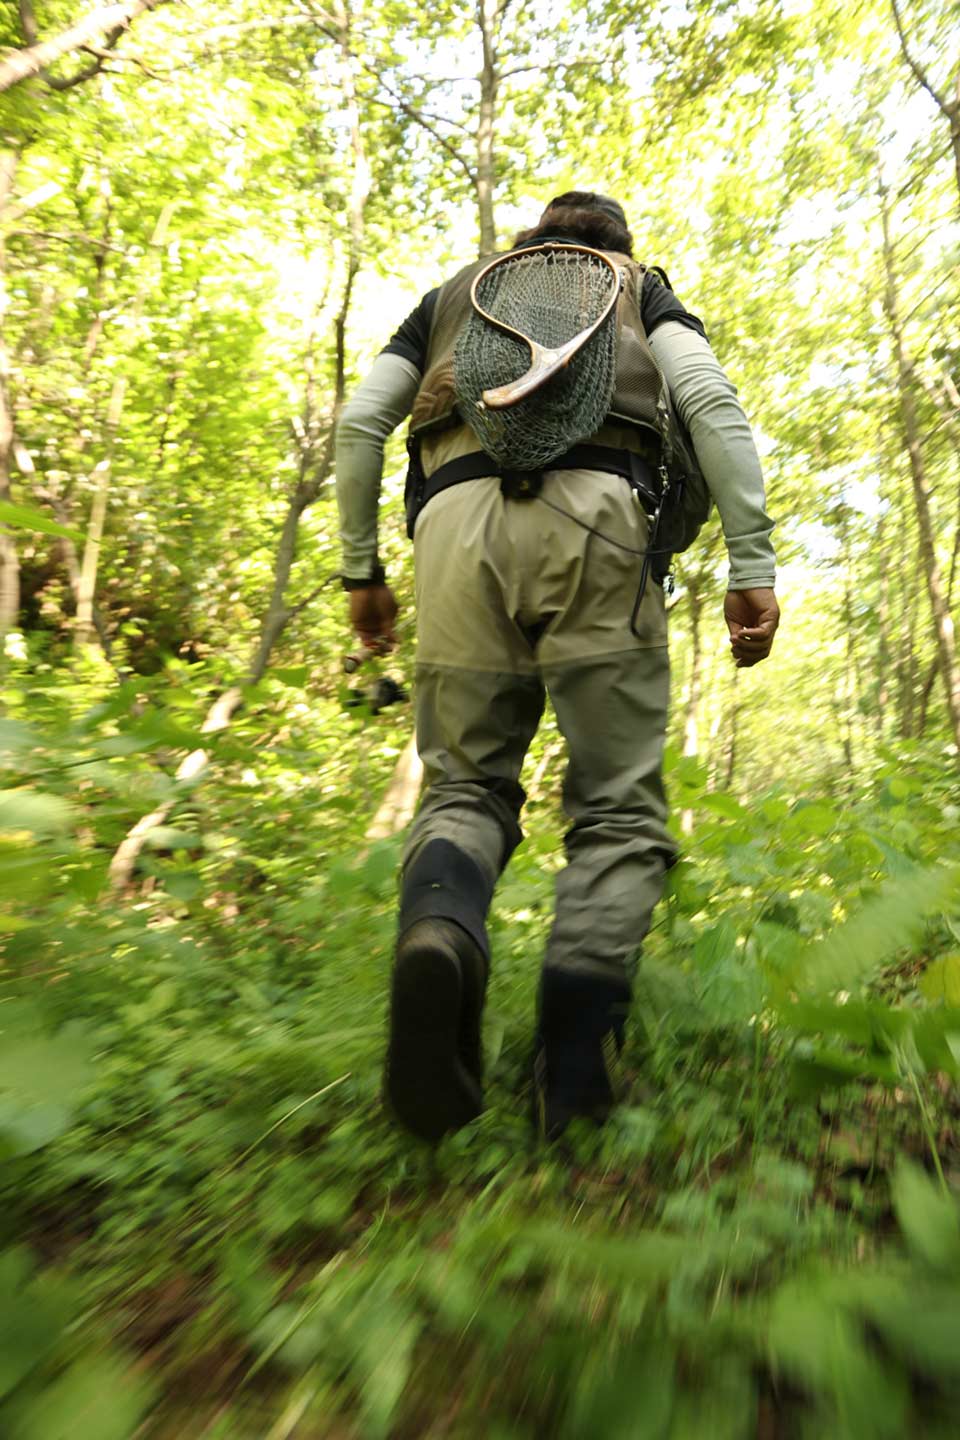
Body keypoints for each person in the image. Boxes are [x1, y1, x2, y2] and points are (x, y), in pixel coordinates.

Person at [335, 191, 779, 1143]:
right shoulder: (639, 290)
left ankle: (441, 933)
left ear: (532, 246)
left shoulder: (454, 297)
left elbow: (361, 423)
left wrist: (360, 572)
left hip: (453, 528)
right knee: (618, 808)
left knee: (462, 786)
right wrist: (752, 566)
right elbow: (708, 404)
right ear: (616, 251)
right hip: (600, 520)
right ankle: (570, 1079)